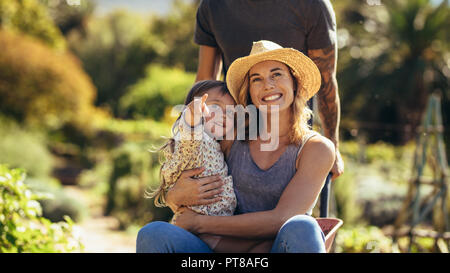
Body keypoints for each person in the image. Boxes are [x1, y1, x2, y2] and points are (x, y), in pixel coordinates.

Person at [136, 40, 335, 253]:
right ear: (249, 91)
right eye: (256, 79)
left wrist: (200, 224)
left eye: (277, 74)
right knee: (152, 233)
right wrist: (174, 195)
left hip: (277, 249)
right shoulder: (232, 137)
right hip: (223, 251)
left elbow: (282, 219)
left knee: (302, 226)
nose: (268, 85)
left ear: (295, 82)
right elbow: (189, 172)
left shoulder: (316, 149)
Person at [194, 0, 344, 179]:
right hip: (237, 136)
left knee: (293, 203)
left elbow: (326, 81)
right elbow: (205, 80)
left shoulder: (311, 5)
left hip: (292, 139)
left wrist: (333, 145)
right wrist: (191, 139)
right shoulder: (213, 6)